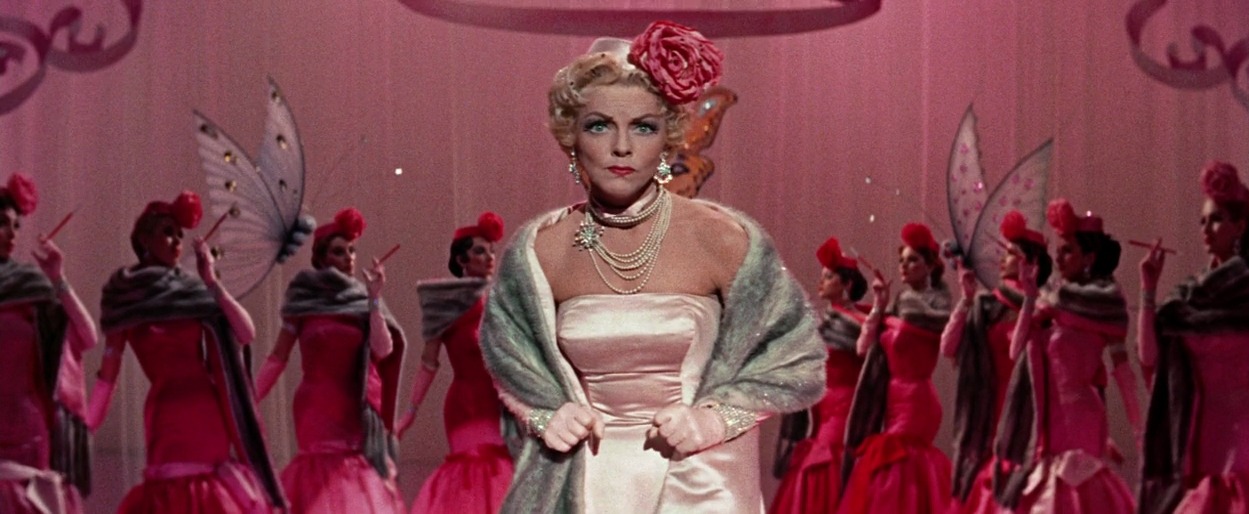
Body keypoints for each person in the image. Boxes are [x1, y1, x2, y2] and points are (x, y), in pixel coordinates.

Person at [479, 20, 826, 514]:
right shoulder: (541, 250)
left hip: (701, 488)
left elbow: (794, 358)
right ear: (571, 137)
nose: (622, 146)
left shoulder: (721, 237)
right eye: (599, 125)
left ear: (667, 139)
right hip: (589, 487)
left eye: (643, 127)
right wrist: (544, 414)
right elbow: (512, 364)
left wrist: (715, 420)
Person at [88, 191, 284, 513]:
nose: (178, 240)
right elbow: (107, 377)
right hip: (166, 415)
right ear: (144, 239)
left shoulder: (193, 292)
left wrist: (211, 282)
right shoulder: (126, 298)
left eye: (180, 234)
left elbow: (245, 333)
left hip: (207, 411)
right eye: (168, 232)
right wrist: (86, 427)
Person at [1137, 161, 1249, 514]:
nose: (1206, 229)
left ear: (1239, 226)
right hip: (1198, 425)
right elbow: (1148, 358)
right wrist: (1148, 289)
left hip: (1242, 423)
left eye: (1215, 219)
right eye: (1202, 221)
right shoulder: (1187, 297)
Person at [253, 207, 407, 513]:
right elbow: (278, 357)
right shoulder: (303, 299)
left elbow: (383, 350)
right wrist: (249, 398)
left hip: (352, 407)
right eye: (339, 251)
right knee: (317, 481)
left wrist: (375, 300)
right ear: (322, 257)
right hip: (314, 407)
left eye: (352, 250)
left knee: (352, 483)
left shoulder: (362, 300)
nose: (349, 257)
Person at [993, 202, 1140, 513]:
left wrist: (1140, 431)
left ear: (1089, 258)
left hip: (1081, 418)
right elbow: (1016, 351)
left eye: (1068, 251)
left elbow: (1123, 371)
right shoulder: (1051, 301)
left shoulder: (1104, 305)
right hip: (1049, 420)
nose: (1058, 257)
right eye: (1058, 251)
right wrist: (1030, 298)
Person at [399, 211, 513, 514]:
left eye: (492, 251)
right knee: (474, 477)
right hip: (466, 406)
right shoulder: (446, 304)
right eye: (480, 251)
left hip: (499, 405)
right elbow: (429, 362)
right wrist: (409, 413)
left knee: (502, 478)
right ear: (462, 260)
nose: (489, 258)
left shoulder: (501, 303)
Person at [939, 211, 1051, 514]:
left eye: (1011, 253)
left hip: (1028, 412)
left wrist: (1030, 300)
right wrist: (966, 299)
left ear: (1031, 263)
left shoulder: (1046, 310)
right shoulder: (987, 306)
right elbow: (948, 348)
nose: (1003, 259)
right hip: (988, 411)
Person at [840, 222, 953, 514]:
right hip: (892, 399)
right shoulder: (898, 304)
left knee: (898, 467)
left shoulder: (936, 308)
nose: (904, 266)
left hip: (916, 399)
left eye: (913, 260)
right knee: (889, 468)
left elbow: (948, 344)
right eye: (902, 260)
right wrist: (879, 305)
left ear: (930, 266)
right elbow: (863, 348)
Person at [0, 173, 96, 514]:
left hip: (28, 430)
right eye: (2, 224)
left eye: (16, 225)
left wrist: (57, 278)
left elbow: (87, 336)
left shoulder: (31, 288)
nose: (12, 233)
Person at [770, 237, 868, 514]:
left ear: (846, 284)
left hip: (843, 407)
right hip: (822, 408)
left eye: (829, 277)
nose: (821, 282)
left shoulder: (857, 324)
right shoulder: (823, 322)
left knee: (829, 461)